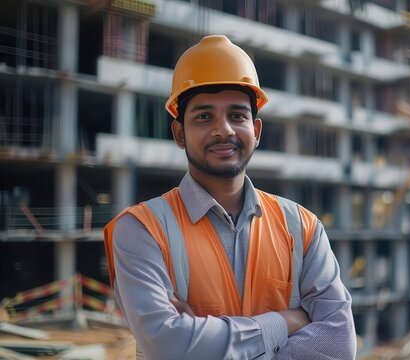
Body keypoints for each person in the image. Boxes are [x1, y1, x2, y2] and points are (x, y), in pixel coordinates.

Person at [104, 35, 356, 359]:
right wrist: (283, 322)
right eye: (204, 117)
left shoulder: (302, 228)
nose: (223, 130)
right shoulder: (141, 230)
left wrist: (203, 337)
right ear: (179, 133)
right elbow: (169, 345)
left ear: (257, 130)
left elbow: (339, 344)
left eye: (237, 115)